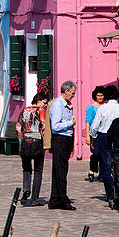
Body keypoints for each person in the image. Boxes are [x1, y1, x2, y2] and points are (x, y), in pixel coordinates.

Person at [89, 84, 119, 207]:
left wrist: (93, 137)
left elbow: (94, 126)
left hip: (104, 136)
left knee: (106, 166)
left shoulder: (102, 109)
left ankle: (110, 194)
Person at [47, 80, 77, 210]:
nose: (73, 96)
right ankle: (62, 199)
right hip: (60, 139)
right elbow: (55, 126)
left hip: (66, 140)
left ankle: (55, 199)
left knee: (59, 169)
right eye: (72, 93)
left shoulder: (66, 104)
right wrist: (70, 123)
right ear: (66, 91)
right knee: (60, 171)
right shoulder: (58, 105)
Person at [17, 92, 50, 206]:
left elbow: (18, 127)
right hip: (37, 142)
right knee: (38, 170)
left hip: (25, 141)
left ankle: (26, 189)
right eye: (44, 102)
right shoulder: (40, 111)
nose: (45, 105)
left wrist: (22, 139)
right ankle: (35, 198)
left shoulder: (24, 110)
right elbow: (44, 125)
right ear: (38, 101)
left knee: (26, 169)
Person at [86, 86, 105, 181]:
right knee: (96, 154)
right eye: (98, 95)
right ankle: (92, 169)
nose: (100, 97)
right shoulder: (91, 108)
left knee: (103, 154)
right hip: (94, 134)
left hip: (104, 133)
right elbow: (88, 122)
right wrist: (87, 136)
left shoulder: (105, 107)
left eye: (101, 95)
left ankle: (102, 174)